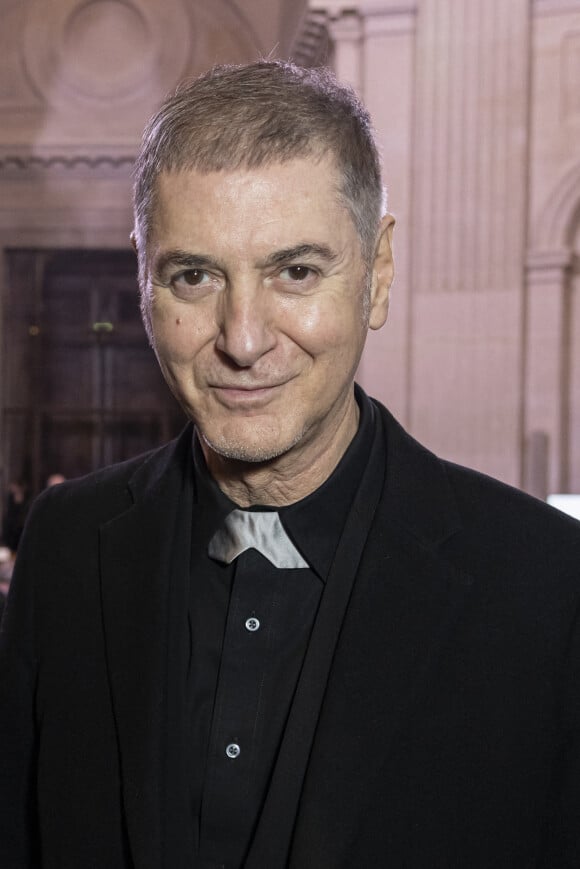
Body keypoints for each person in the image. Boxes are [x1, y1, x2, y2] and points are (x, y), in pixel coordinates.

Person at [1, 61, 579, 869]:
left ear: (377, 272)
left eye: (296, 271)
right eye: (194, 275)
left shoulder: (547, 586)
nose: (242, 339)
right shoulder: (66, 543)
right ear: (143, 281)